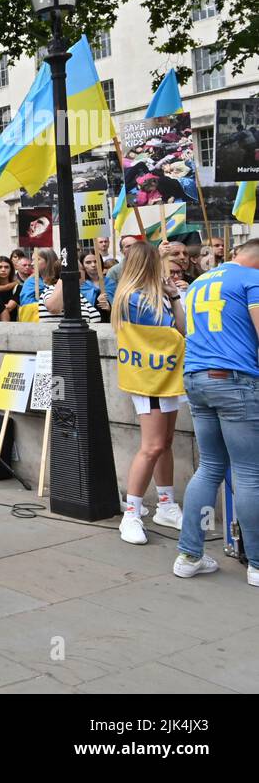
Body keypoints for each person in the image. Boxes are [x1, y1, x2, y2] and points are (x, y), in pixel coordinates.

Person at [173, 237, 259, 586]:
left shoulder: (198, 283)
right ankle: (256, 564)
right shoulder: (251, 279)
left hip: (196, 379)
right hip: (235, 381)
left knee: (209, 468)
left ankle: (189, 555)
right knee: (250, 474)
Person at [112, 241, 186, 545]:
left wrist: (175, 296)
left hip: (163, 375)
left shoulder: (156, 295)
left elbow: (181, 328)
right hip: (149, 378)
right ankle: (132, 513)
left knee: (165, 443)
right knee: (152, 446)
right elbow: (173, 331)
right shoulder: (134, 298)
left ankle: (166, 504)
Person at [37, 249, 102, 324]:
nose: (84, 272)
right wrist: (66, 277)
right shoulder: (51, 290)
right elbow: (53, 308)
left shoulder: (77, 293)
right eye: (82, 269)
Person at [79, 249, 111, 322]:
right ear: (82, 265)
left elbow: (119, 306)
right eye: (88, 262)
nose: (93, 265)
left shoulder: (111, 283)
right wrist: (97, 302)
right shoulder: (81, 285)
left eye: (96, 261)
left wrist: (110, 308)